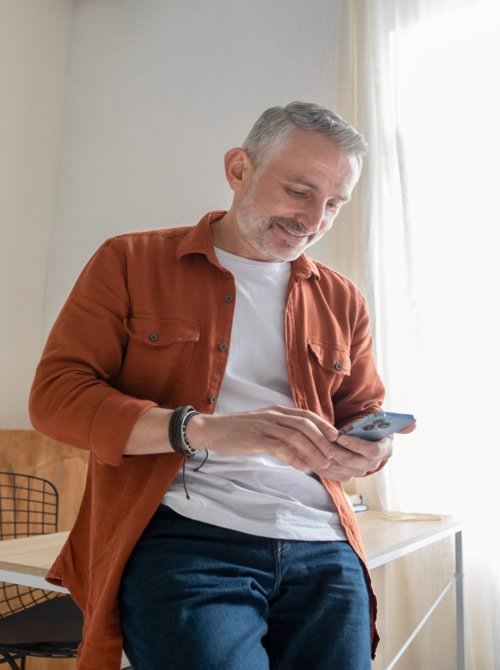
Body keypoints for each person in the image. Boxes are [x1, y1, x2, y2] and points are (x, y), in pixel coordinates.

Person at [29, 101, 414, 670]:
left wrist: (371, 449)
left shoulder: (342, 299)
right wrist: (204, 430)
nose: (313, 220)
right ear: (239, 169)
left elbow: (362, 411)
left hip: (324, 544)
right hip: (184, 537)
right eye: (300, 192)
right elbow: (56, 398)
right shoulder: (129, 261)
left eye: (334, 203)